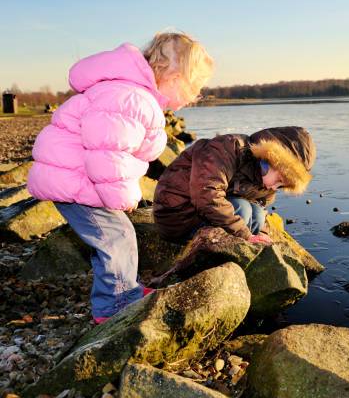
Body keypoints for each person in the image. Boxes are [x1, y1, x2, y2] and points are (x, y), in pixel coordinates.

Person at [26, 32, 214, 324]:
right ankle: (113, 305)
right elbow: (106, 151)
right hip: (79, 180)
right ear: (175, 77)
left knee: (115, 236)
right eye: (194, 89)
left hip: (79, 177)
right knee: (115, 236)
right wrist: (121, 198)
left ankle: (124, 292)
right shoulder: (132, 98)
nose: (193, 98)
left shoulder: (133, 94)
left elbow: (122, 151)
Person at [153, 127, 316, 244]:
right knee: (242, 208)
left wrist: (263, 236)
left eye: (282, 186)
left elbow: (263, 210)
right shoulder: (229, 148)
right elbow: (206, 195)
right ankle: (222, 251)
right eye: (279, 180)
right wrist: (245, 235)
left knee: (257, 213)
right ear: (271, 160)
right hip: (178, 216)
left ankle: (240, 249)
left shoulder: (266, 183)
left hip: (203, 216)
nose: (275, 188)